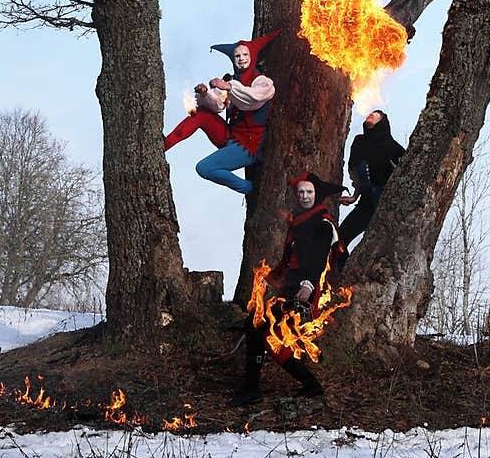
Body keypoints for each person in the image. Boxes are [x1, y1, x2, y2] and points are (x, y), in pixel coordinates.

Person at [232, 172, 348, 406]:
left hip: (307, 293)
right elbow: (288, 260)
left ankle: (254, 388)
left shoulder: (323, 224)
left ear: (317, 195)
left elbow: (318, 260)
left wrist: (307, 286)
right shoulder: (297, 222)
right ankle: (309, 385)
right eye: (301, 193)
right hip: (290, 289)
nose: (305, 196)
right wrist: (270, 279)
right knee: (265, 334)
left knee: (259, 329)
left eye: (309, 192)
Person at [163, 30, 280, 196]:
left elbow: (253, 100)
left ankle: (250, 189)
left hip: (249, 145)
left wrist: (230, 87)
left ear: (252, 56)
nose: (241, 59)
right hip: (230, 136)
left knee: (204, 168)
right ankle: (164, 145)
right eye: (237, 56)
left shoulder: (261, 81)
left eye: (245, 54)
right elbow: (218, 105)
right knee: (201, 114)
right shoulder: (230, 80)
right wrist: (204, 93)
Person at [337, 109, 405, 261]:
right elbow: (359, 172)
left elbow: (407, 171)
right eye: (370, 113)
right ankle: (340, 280)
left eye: (376, 114)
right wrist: (354, 196)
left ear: (382, 121)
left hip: (386, 206)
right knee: (339, 241)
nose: (371, 114)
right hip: (366, 204)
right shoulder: (359, 142)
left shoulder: (392, 147)